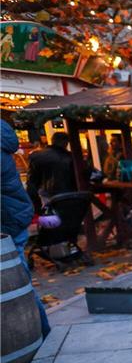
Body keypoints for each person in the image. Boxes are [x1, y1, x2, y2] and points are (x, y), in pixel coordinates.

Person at [1, 121, 49, 337]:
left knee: (17, 285)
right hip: (12, 218)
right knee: (19, 282)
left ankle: (40, 335)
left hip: (7, 223)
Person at [26, 131, 77, 209]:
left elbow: (31, 181)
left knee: (51, 216)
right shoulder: (70, 157)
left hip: (46, 195)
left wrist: (34, 202)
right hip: (67, 194)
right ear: (66, 143)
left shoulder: (36, 156)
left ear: (53, 140)